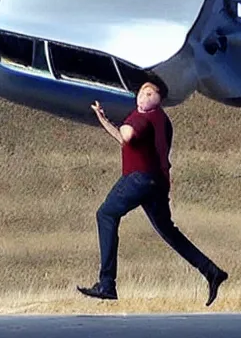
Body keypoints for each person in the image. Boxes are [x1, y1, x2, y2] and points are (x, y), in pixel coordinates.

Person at [76, 79, 228, 307]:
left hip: (139, 179)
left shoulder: (143, 118)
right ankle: (212, 271)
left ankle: (107, 284)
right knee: (169, 231)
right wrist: (104, 120)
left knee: (106, 215)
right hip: (157, 183)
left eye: (150, 94)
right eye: (142, 92)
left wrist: (127, 121)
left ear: (159, 99)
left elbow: (127, 135)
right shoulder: (162, 121)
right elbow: (124, 141)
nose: (143, 97)